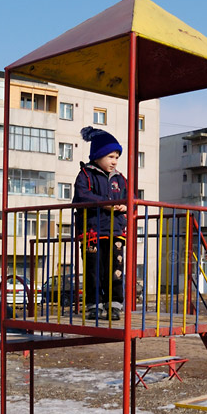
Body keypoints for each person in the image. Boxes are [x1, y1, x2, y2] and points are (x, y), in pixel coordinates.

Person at [73, 126, 128, 320]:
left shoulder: (120, 179)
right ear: (97, 156)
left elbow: (131, 198)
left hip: (115, 232)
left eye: (116, 157)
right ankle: (93, 305)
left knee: (115, 271)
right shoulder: (86, 175)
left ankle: (114, 305)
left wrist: (124, 207)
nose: (114, 162)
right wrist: (105, 205)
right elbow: (82, 197)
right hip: (93, 232)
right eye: (110, 157)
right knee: (94, 270)